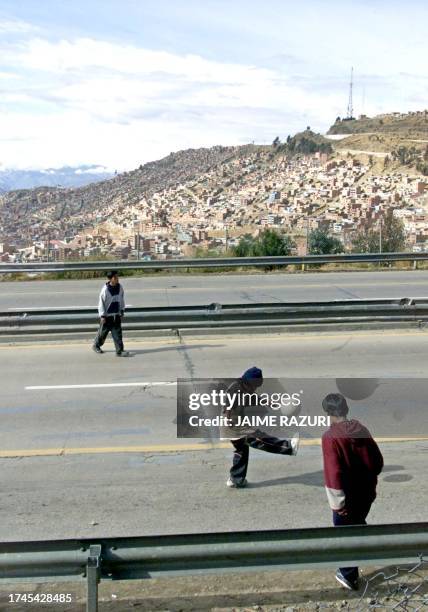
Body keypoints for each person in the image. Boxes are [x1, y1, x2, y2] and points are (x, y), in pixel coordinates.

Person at [321, 393, 384, 591]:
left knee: (344, 535)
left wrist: (337, 505)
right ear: (346, 410)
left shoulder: (330, 438)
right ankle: (355, 562)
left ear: (329, 414)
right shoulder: (362, 429)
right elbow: (378, 462)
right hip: (366, 494)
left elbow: (334, 474)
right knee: (357, 525)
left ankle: (348, 576)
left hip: (346, 499)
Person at [221, 367, 299, 488]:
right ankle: (288, 447)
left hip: (234, 426)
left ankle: (236, 479)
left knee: (241, 451)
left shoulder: (244, 387)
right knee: (261, 440)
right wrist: (228, 419)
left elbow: (252, 398)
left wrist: (268, 402)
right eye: (254, 386)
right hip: (234, 426)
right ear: (247, 382)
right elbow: (228, 406)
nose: (254, 389)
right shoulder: (235, 390)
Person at [92, 270, 128, 356]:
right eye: (115, 277)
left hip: (116, 315)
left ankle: (119, 351)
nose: (117, 279)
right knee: (102, 334)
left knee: (118, 334)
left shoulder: (120, 287)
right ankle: (96, 345)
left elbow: (121, 299)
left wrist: (122, 309)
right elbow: (101, 303)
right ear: (110, 279)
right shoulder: (105, 290)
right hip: (107, 317)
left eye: (117, 277)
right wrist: (102, 316)